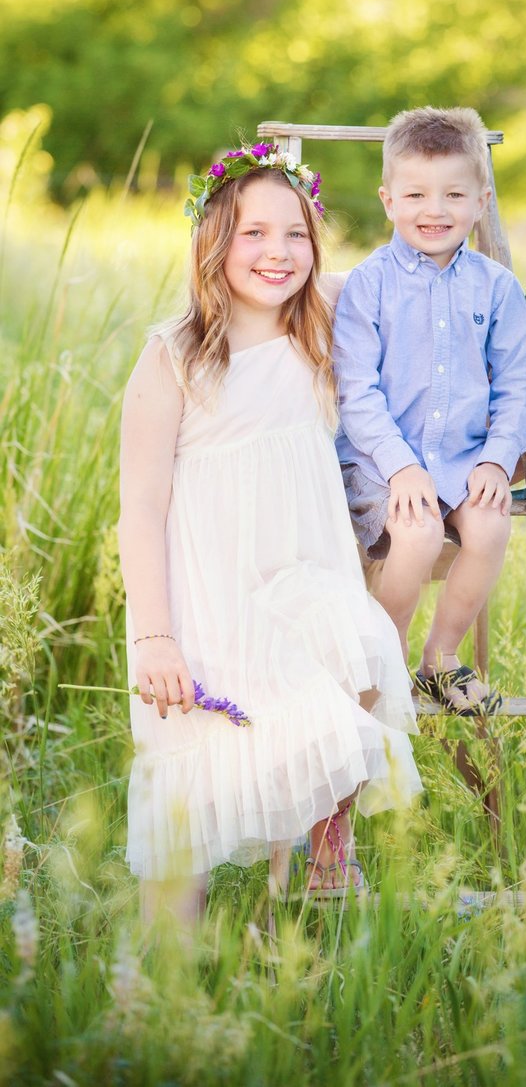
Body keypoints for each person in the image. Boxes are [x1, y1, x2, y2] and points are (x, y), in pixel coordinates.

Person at [118, 142, 422, 920]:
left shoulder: (327, 327)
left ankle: (325, 855)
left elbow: (422, 278)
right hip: (205, 598)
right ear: (214, 240)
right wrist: (155, 636)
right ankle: (164, 983)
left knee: (357, 644)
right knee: (194, 771)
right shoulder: (175, 355)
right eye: (253, 233)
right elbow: (142, 509)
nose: (277, 252)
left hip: (303, 573)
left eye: (295, 233)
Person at [334, 106, 526, 713]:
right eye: (417, 193)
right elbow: (356, 391)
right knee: (418, 536)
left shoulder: (497, 286)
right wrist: (400, 466)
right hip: (382, 461)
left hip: (465, 458)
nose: (436, 210)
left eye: (454, 194)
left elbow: (518, 386)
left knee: (489, 525)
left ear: (481, 201)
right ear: (388, 200)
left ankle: (441, 659)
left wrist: (499, 463)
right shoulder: (369, 284)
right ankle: (386, 655)